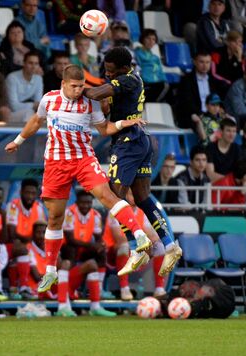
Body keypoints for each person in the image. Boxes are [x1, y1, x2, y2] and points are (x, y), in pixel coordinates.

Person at [5, 64, 154, 293]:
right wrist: (18, 141)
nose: (78, 90)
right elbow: (36, 121)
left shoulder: (90, 102)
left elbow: (104, 129)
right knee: (55, 218)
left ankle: (140, 236)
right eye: (74, 86)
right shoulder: (49, 99)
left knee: (106, 195)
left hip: (83, 159)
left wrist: (125, 123)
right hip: (56, 163)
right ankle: (50, 272)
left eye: (81, 86)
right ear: (63, 84)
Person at [84, 47, 182, 277]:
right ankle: (169, 245)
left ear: (123, 68)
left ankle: (136, 246)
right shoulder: (124, 82)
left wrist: (76, 89)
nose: (108, 74)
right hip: (139, 140)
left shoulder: (127, 79)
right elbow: (107, 106)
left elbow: (98, 94)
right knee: (142, 197)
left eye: (110, 70)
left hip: (128, 142)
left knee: (114, 197)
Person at [60, 191, 117, 316]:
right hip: (69, 248)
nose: (86, 205)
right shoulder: (69, 213)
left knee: (101, 252)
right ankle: (70, 284)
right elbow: (69, 238)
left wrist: (100, 245)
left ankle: (99, 289)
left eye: (88, 203)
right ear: (77, 203)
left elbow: (97, 237)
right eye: (83, 202)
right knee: (71, 249)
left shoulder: (95, 215)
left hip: (84, 247)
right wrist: (92, 245)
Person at [102, 193, 167, 301]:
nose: (135, 197)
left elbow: (152, 235)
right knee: (124, 246)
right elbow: (119, 238)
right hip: (112, 255)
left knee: (159, 247)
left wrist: (155, 241)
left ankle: (159, 289)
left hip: (137, 252)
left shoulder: (142, 211)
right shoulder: (115, 211)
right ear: (126, 195)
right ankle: (124, 288)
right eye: (132, 194)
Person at [4, 179, 46, 300]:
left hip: (30, 246)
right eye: (27, 193)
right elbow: (12, 234)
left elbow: (43, 230)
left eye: (33, 193)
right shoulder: (12, 206)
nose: (30, 196)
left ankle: (23, 288)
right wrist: (30, 239)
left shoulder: (38, 208)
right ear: (21, 192)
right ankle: (22, 287)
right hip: (11, 246)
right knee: (21, 248)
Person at [176, 51, 228, 129]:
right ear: (194, 62)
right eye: (201, 62)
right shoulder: (186, 80)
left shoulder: (214, 81)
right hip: (194, 115)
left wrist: (221, 109)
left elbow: (219, 101)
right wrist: (203, 114)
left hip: (212, 114)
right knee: (211, 125)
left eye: (207, 62)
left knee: (231, 121)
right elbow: (187, 103)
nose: (205, 66)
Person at [6, 51, 43, 123]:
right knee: (28, 113)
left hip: (29, 112)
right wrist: (33, 105)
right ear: (24, 63)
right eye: (30, 63)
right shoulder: (12, 78)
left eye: (36, 64)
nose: (33, 66)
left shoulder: (38, 78)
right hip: (10, 113)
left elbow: (38, 104)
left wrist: (35, 106)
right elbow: (13, 106)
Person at [134, 29, 169, 102]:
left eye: (153, 39)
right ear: (143, 39)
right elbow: (136, 69)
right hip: (144, 83)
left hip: (156, 84)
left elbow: (160, 72)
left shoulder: (155, 58)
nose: (151, 41)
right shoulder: (137, 53)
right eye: (148, 38)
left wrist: (164, 80)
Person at [206, 118, 241, 182]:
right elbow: (210, 174)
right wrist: (229, 180)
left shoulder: (237, 148)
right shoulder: (211, 147)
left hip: (231, 187)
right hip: (215, 185)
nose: (232, 134)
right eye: (228, 131)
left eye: (234, 131)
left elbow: (239, 172)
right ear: (221, 131)